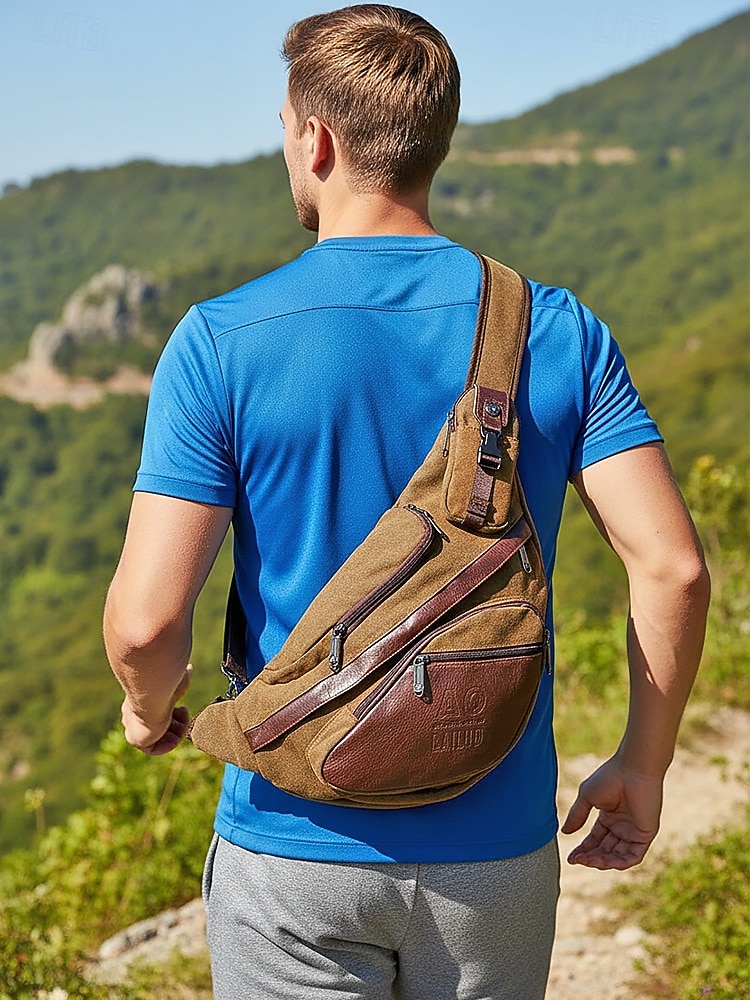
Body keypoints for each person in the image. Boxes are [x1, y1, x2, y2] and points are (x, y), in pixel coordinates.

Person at [103, 6, 710, 999]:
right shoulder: (556, 329)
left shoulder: (222, 340)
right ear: (436, 138)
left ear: (318, 138)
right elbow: (674, 567)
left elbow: (146, 620)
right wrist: (643, 762)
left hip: (293, 846)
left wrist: (148, 705)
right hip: (495, 850)